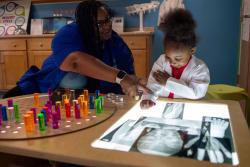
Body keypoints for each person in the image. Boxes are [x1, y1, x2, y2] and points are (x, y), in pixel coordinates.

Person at [3, 0, 147, 98]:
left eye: (108, 20)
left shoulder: (116, 43)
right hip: (49, 90)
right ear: (85, 25)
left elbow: (128, 76)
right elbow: (75, 62)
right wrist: (121, 77)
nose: (107, 26)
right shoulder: (69, 34)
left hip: (92, 98)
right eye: (99, 24)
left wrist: (137, 82)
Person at [140, 8, 210, 109]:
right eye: (168, 57)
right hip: (162, 104)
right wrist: (148, 98)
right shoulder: (162, 60)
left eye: (178, 58)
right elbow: (153, 82)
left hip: (187, 107)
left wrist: (168, 81)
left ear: (192, 50)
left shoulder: (199, 68)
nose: (172, 62)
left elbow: (197, 93)